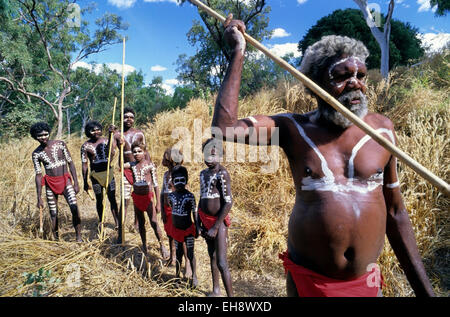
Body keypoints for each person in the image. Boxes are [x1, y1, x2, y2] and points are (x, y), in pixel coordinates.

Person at [211, 19, 435, 297]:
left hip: (366, 285)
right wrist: (238, 52)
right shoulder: (292, 129)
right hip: (310, 283)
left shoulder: (382, 131)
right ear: (314, 83)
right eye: (342, 76)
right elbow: (224, 128)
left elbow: (395, 212)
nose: (356, 84)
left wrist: (426, 293)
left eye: (361, 76)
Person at [30, 122, 82, 242]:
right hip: (50, 184)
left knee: (74, 207)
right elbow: (38, 175)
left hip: (65, 181)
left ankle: (78, 237)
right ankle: (56, 239)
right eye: (40, 135)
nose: (43, 137)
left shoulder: (60, 144)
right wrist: (39, 197)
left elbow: (71, 163)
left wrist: (76, 183)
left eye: (45, 134)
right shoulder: (36, 154)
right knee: (53, 213)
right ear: (35, 137)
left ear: (49, 133)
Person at [198, 138, 233, 297]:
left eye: (213, 155)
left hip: (217, 222)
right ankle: (216, 290)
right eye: (206, 155)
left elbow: (228, 203)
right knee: (211, 255)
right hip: (205, 219)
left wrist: (216, 226)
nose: (209, 159)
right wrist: (198, 222)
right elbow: (201, 197)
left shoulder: (222, 174)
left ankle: (232, 298)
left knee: (221, 261)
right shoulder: (203, 174)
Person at [124, 141, 168, 258]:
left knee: (154, 222)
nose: (137, 154)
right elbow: (120, 165)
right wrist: (120, 147)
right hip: (137, 198)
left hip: (148, 197)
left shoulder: (150, 165)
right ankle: (144, 245)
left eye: (139, 151)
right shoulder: (132, 165)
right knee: (141, 223)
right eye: (134, 152)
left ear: (145, 152)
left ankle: (162, 245)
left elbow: (156, 185)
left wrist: (159, 202)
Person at [111, 107, 149, 235]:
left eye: (131, 117)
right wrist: (111, 136)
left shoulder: (139, 134)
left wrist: (148, 167)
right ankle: (121, 229)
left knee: (138, 198)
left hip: (139, 170)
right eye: (126, 117)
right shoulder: (117, 135)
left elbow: (146, 152)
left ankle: (137, 224)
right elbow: (110, 153)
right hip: (126, 170)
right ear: (121, 118)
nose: (129, 119)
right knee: (125, 200)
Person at [81, 120, 119, 232]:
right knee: (99, 199)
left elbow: (111, 154)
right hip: (95, 176)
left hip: (108, 173)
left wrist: (111, 134)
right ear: (88, 132)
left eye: (98, 129)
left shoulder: (106, 141)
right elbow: (84, 165)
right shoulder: (85, 146)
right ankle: (101, 221)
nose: (96, 132)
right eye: (92, 130)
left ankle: (117, 222)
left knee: (112, 199)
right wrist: (85, 182)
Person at [161, 148, 193, 278]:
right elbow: (163, 192)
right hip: (167, 208)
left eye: (164, 157)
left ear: (171, 160)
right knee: (170, 233)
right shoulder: (165, 174)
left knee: (182, 237)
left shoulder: (180, 173)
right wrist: (162, 209)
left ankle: (188, 264)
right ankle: (173, 257)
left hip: (178, 209)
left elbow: (186, 190)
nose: (162, 160)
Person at [167, 165, 199, 288]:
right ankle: (177, 277)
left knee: (190, 254)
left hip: (188, 230)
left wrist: (197, 228)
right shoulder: (171, 196)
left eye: (182, 180)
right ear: (173, 182)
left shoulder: (190, 196)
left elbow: (194, 213)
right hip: (176, 230)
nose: (179, 183)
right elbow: (170, 208)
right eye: (176, 181)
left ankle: (194, 275)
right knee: (179, 254)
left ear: (186, 180)